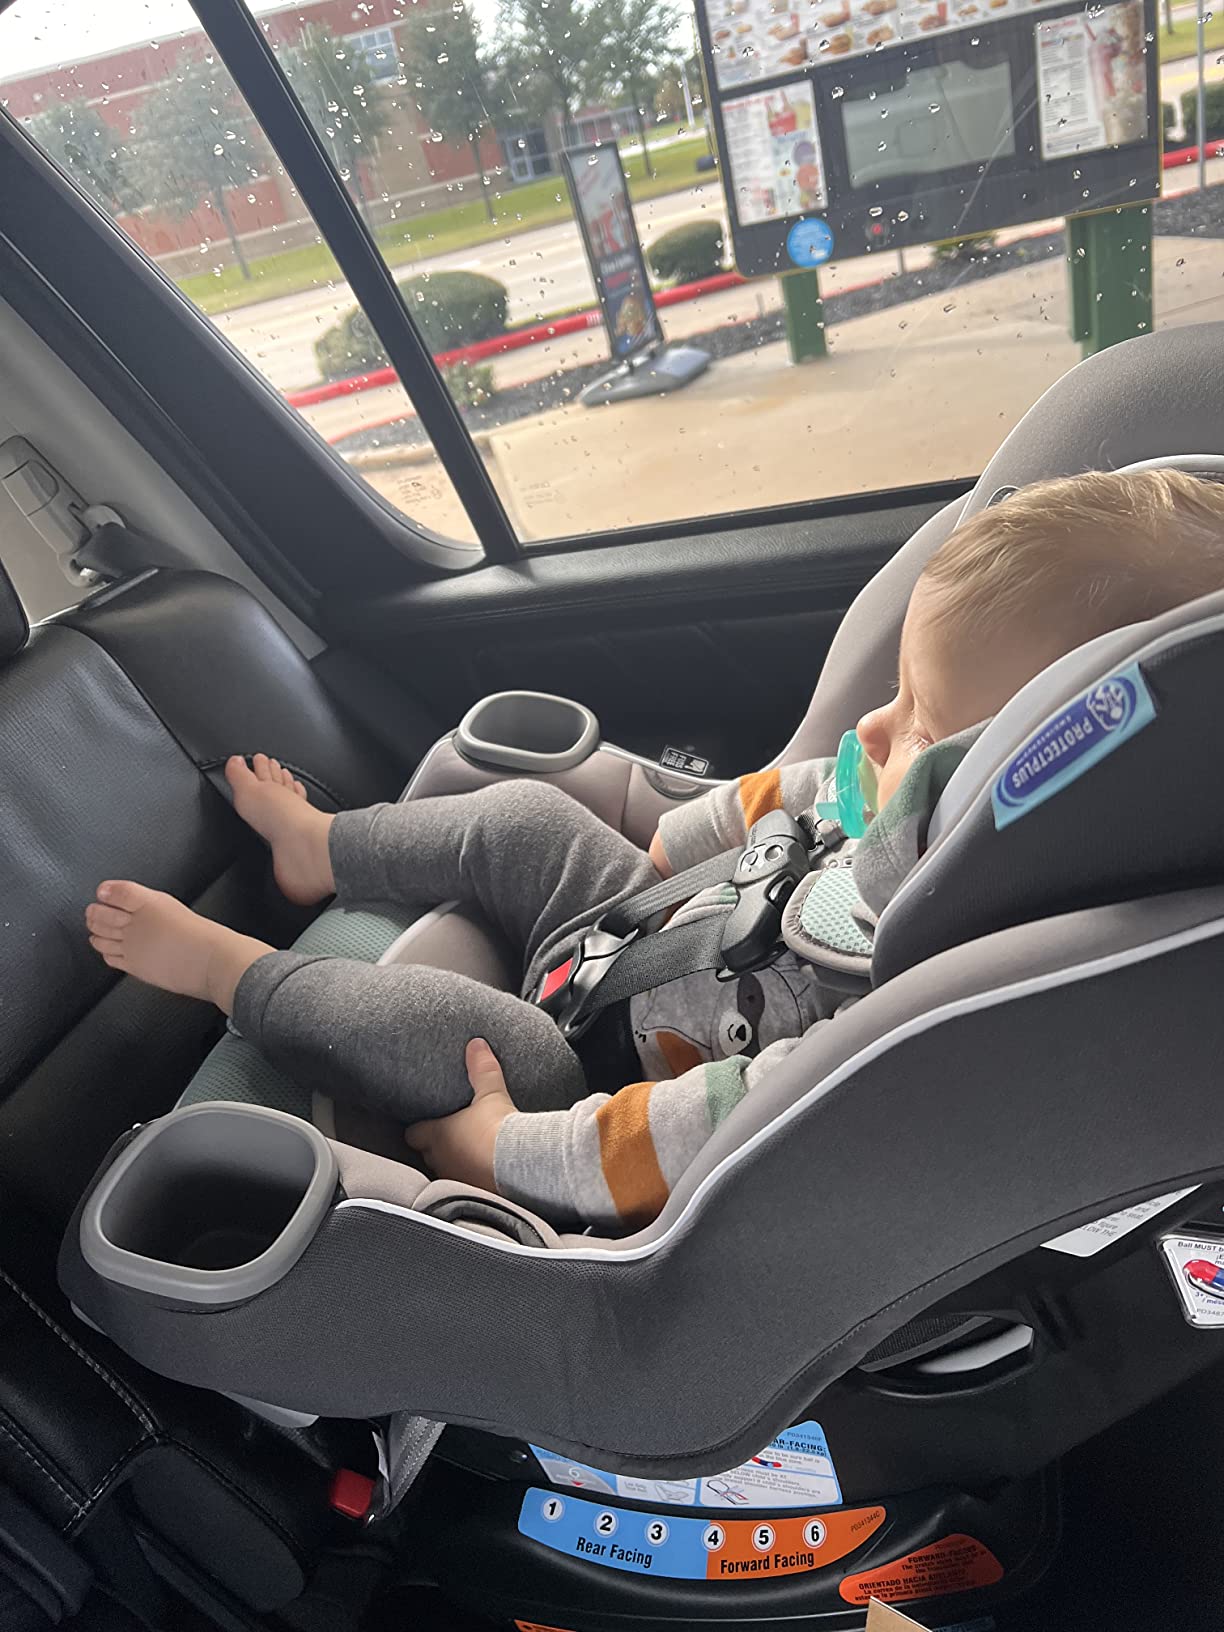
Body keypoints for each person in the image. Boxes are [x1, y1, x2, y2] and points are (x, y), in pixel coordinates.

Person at [85, 469, 1224, 1230]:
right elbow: (798, 794)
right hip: (650, 927)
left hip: (586, 1075)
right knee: (526, 820)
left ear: (1014, 799)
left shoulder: (907, 1002)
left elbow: (695, 1131)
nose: (877, 729)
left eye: (922, 726)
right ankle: (323, 849)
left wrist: (503, 1150)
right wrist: (670, 848)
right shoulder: (915, 814)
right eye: (898, 691)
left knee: (451, 1030)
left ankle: (233, 972)